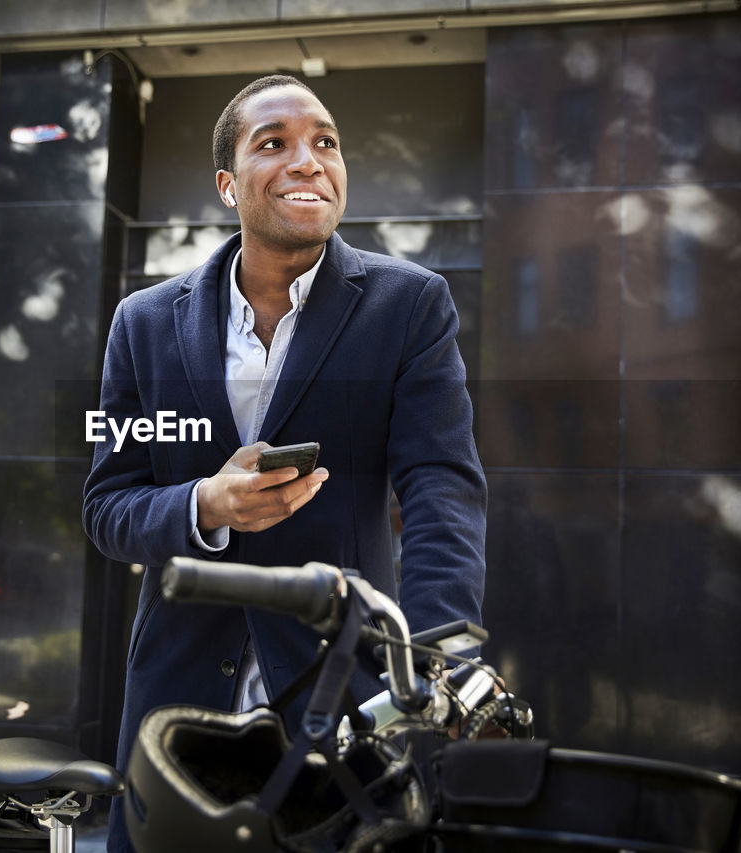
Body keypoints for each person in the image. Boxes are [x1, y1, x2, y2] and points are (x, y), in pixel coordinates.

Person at [82, 74, 486, 851]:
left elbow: (442, 485)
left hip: (341, 700)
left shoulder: (410, 305)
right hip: (179, 706)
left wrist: (441, 653)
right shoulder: (141, 324)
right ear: (229, 185)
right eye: (275, 143)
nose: (309, 160)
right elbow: (107, 506)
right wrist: (203, 504)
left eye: (325, 142)